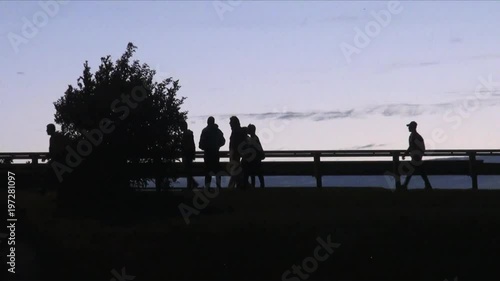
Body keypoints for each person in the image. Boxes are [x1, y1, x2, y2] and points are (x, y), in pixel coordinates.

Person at [401, 121, 433, 190]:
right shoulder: (415, 136)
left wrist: (407, 154)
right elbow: (414, 147)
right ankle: (428, 185)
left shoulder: (415, 136)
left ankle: (405, 185)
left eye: (409, 126)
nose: (408, 128)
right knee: (421, 172)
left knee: (412, 171)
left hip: (416, 157)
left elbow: (417, 147)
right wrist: (406, 153)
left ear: (412, 127)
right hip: (416, 157)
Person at [199, 117, 225, 189]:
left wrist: (206, 147)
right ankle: (218, 187)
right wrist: (217, 145)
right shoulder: (218, 131)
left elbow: (201, 145)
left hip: (207, 154)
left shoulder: (205, 131)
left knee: (208, 172)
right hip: (215, 154)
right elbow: (223, 141)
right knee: (217, 171)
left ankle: (207, 188)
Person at [43, 124, 69, 196]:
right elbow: (52, 152)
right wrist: (47, 156)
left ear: (51, 129)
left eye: (47, 129)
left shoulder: (57, 137)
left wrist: (51, 157)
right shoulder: (52, 138)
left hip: (60, 160)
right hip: (57, 160)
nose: (46, 131)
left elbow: (59, 150)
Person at [242, 124, 265, 188]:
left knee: (253, 173)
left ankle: (253, 186)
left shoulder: (252, 139)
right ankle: (259, 186)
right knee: (257, 173)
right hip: (256, 159)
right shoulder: (255, 138)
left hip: (254, 160)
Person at [228, 116, 248, 189]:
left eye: (230, 122)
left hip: (235, 155)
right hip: (238, 155)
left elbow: (233, 144)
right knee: (236, 171)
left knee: (235, 171)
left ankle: (231, 187)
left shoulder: (235, 132)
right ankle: (241, 185)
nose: (229, 123)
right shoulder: (238, 132)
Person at [180, 120, 198, 189]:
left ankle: (191, 184)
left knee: (187, 170)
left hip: (187, 154)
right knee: (188, 170)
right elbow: (192, 145)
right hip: (190, 154)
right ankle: (191, 184)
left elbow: (185, 145)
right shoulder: (189, 134)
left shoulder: (185, 135)